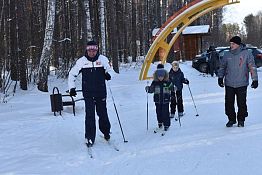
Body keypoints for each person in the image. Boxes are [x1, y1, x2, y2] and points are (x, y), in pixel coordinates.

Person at [68, 40, 112, 147]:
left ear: (97, 50)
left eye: (94, 50)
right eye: (89, 50)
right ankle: (89, 137)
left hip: (101, 92)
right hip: (88, 93)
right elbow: (72, 74)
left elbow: (110, 70)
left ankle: (106, 132)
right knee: (90, 116)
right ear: (87, 50)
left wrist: (108, 75)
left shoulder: (103, 59)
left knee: (103, 114)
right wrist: (72, 88)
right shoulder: (81, 61)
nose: (92, 52)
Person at [217, 36, 258, 127]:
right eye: (230, 43)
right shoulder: (227, 54)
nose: (231, 45)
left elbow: (252, 67)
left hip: (242, 83)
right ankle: (231, 119)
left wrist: (255, 79)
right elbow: (222, 67)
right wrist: (220, 77)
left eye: (233, 43)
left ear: (238, 44)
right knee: (229, 103)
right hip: (229, 83)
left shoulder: (246, 54)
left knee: (241, 103)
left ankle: (241, 120)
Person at [145, 64, 174, 132]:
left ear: (164, 76)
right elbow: (151, 90)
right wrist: (148, 89)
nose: (160, 78)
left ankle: (166, 124)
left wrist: (173, 88)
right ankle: (160, 122)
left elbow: (171, 88)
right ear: (157, 76)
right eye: (159, 76)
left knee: (165, 112)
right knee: (159, 112)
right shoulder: (155, 82)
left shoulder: (167, 81)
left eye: (162, 76)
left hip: (165, 100)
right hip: (157, 100)